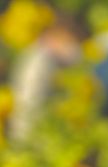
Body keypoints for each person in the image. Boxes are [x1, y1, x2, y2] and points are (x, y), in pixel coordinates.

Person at [7, 15, 85, 144]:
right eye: (69, 40)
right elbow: (29, 102)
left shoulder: (46, 59)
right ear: (56, 35)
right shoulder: (39, 62)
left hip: (33, 133)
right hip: (28, 136)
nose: (71, 47)